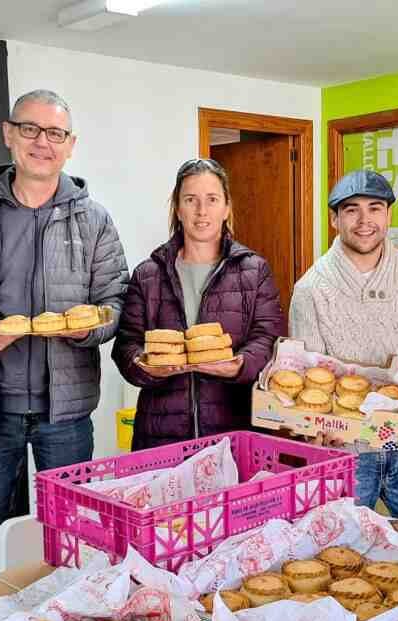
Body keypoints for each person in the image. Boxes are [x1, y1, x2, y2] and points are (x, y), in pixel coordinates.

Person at [0, 89, 128, 579]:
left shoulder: (94, 220)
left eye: (55, 132)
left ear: (70, 144)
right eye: (30, 128)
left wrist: (86, 329)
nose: (42, 142)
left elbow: (115, 301)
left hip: (67, 412)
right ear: (8, 134)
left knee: (71, 531)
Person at [290, 169, 398, 528]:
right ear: (334, 219)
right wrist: (315, 425)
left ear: (389, 215)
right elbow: (307, 375)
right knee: (337, 552)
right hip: (344, 449)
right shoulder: (311, 289)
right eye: (351, 210)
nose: (365, 220)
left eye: (375, 208)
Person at [112, 158, 285, 449]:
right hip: (160, 436)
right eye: (191, 200)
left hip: (235, 432)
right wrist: (144, 364)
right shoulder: (148, 274)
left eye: (212, 199)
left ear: (227, 207)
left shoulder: (254, 270)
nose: (202, 211)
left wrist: (240, 364)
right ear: (178, 209)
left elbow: (268, 337)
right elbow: (126, 344)